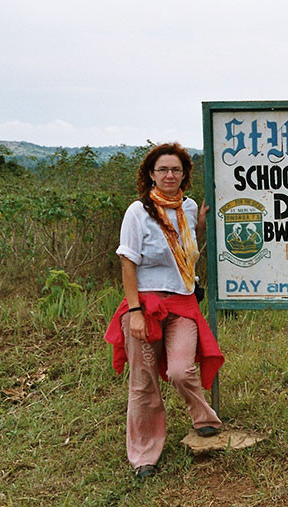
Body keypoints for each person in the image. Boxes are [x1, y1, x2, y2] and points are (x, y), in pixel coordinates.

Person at [104, 143, 224, 478]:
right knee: (143, 383)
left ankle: (204, 418)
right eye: (163, 170)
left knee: (181, 369)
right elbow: (127, 263)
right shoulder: (138, 212)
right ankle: (145, 456)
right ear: (151, 174)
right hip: (146, 304)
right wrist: (136, 311)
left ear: (185, 174)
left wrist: (199, 225)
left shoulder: (186, 208)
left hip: (182, 302)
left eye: (176, 170)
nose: (169, 175)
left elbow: (183, 250)